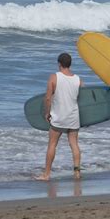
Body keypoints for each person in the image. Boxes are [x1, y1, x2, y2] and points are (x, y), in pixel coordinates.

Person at [35, 53, 83, 181]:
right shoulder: (78, 79)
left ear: (59, 64)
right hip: (73, 117)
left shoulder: (54, 77)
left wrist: (47, 113)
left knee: (52, 145)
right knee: (74, 144)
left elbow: (48, 98)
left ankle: (46, 174)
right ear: (70, 64)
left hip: (59, 117)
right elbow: (81, 98)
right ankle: (77, 173)